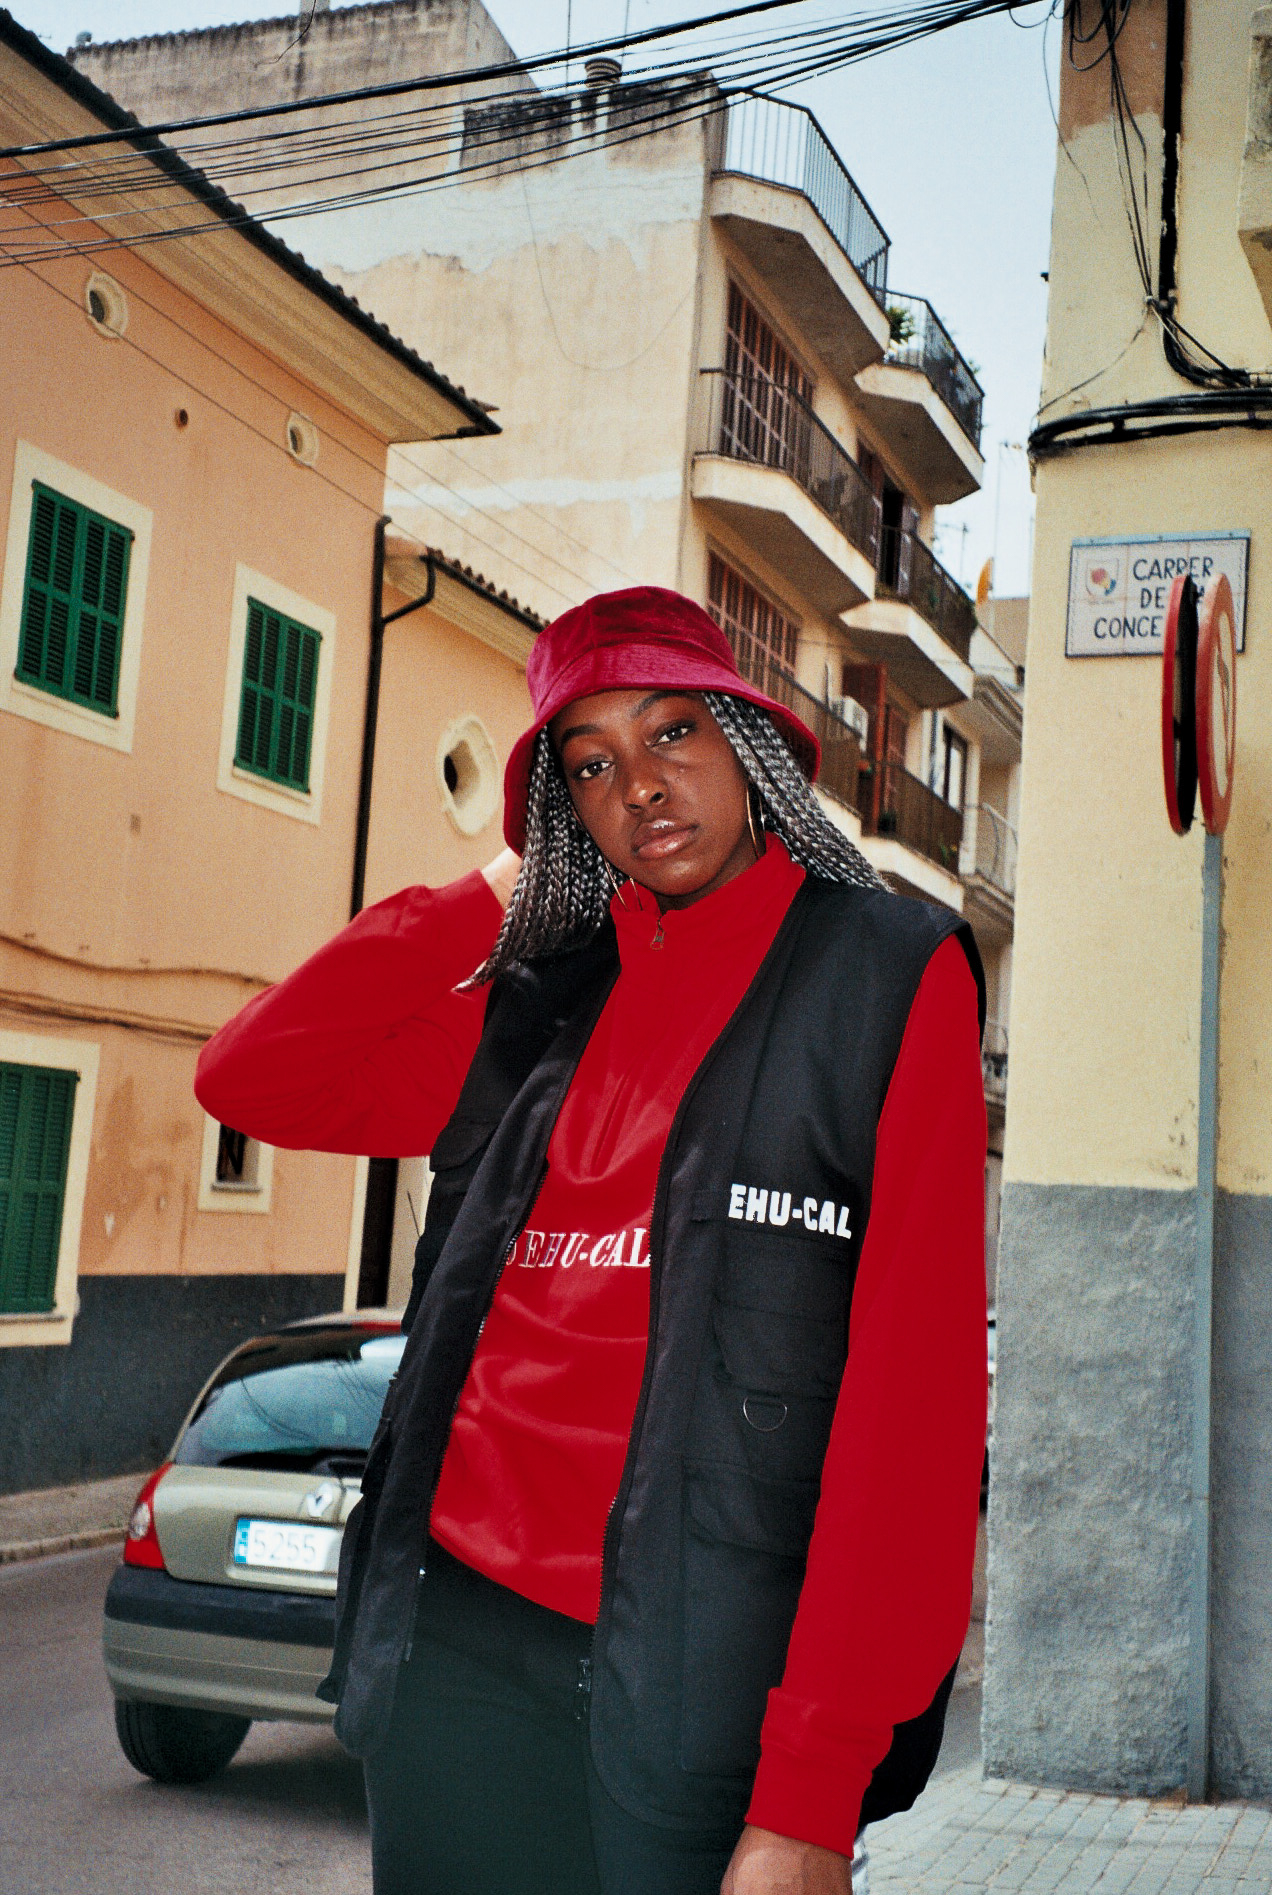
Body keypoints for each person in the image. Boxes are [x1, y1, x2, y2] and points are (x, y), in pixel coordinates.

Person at [195, 586, 988, 1895]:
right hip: (452, 1650)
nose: (642, 786)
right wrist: (493, 891)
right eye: (591, 764)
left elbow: (911, 1422)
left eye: (674, 731)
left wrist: (812, 1790)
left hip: (699, 1683)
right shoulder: (539, 999)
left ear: (748, 741)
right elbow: (252, 1076)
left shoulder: (889, 977)